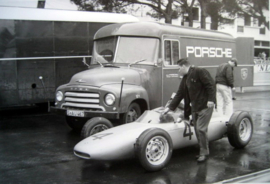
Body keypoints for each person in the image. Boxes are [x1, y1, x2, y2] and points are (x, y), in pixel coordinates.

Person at [160, 58, 216, 162]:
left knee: (201, 129)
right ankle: (202, 150)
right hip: (195, 107)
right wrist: (169, 108)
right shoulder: (185, 78)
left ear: (184, 66)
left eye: (179, 68)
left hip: (205, 106)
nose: (178, 71)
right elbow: (179, 93)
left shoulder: (199, 71)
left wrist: (211, 100)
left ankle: (204, 153)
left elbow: (211, 85)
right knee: (196, 129)